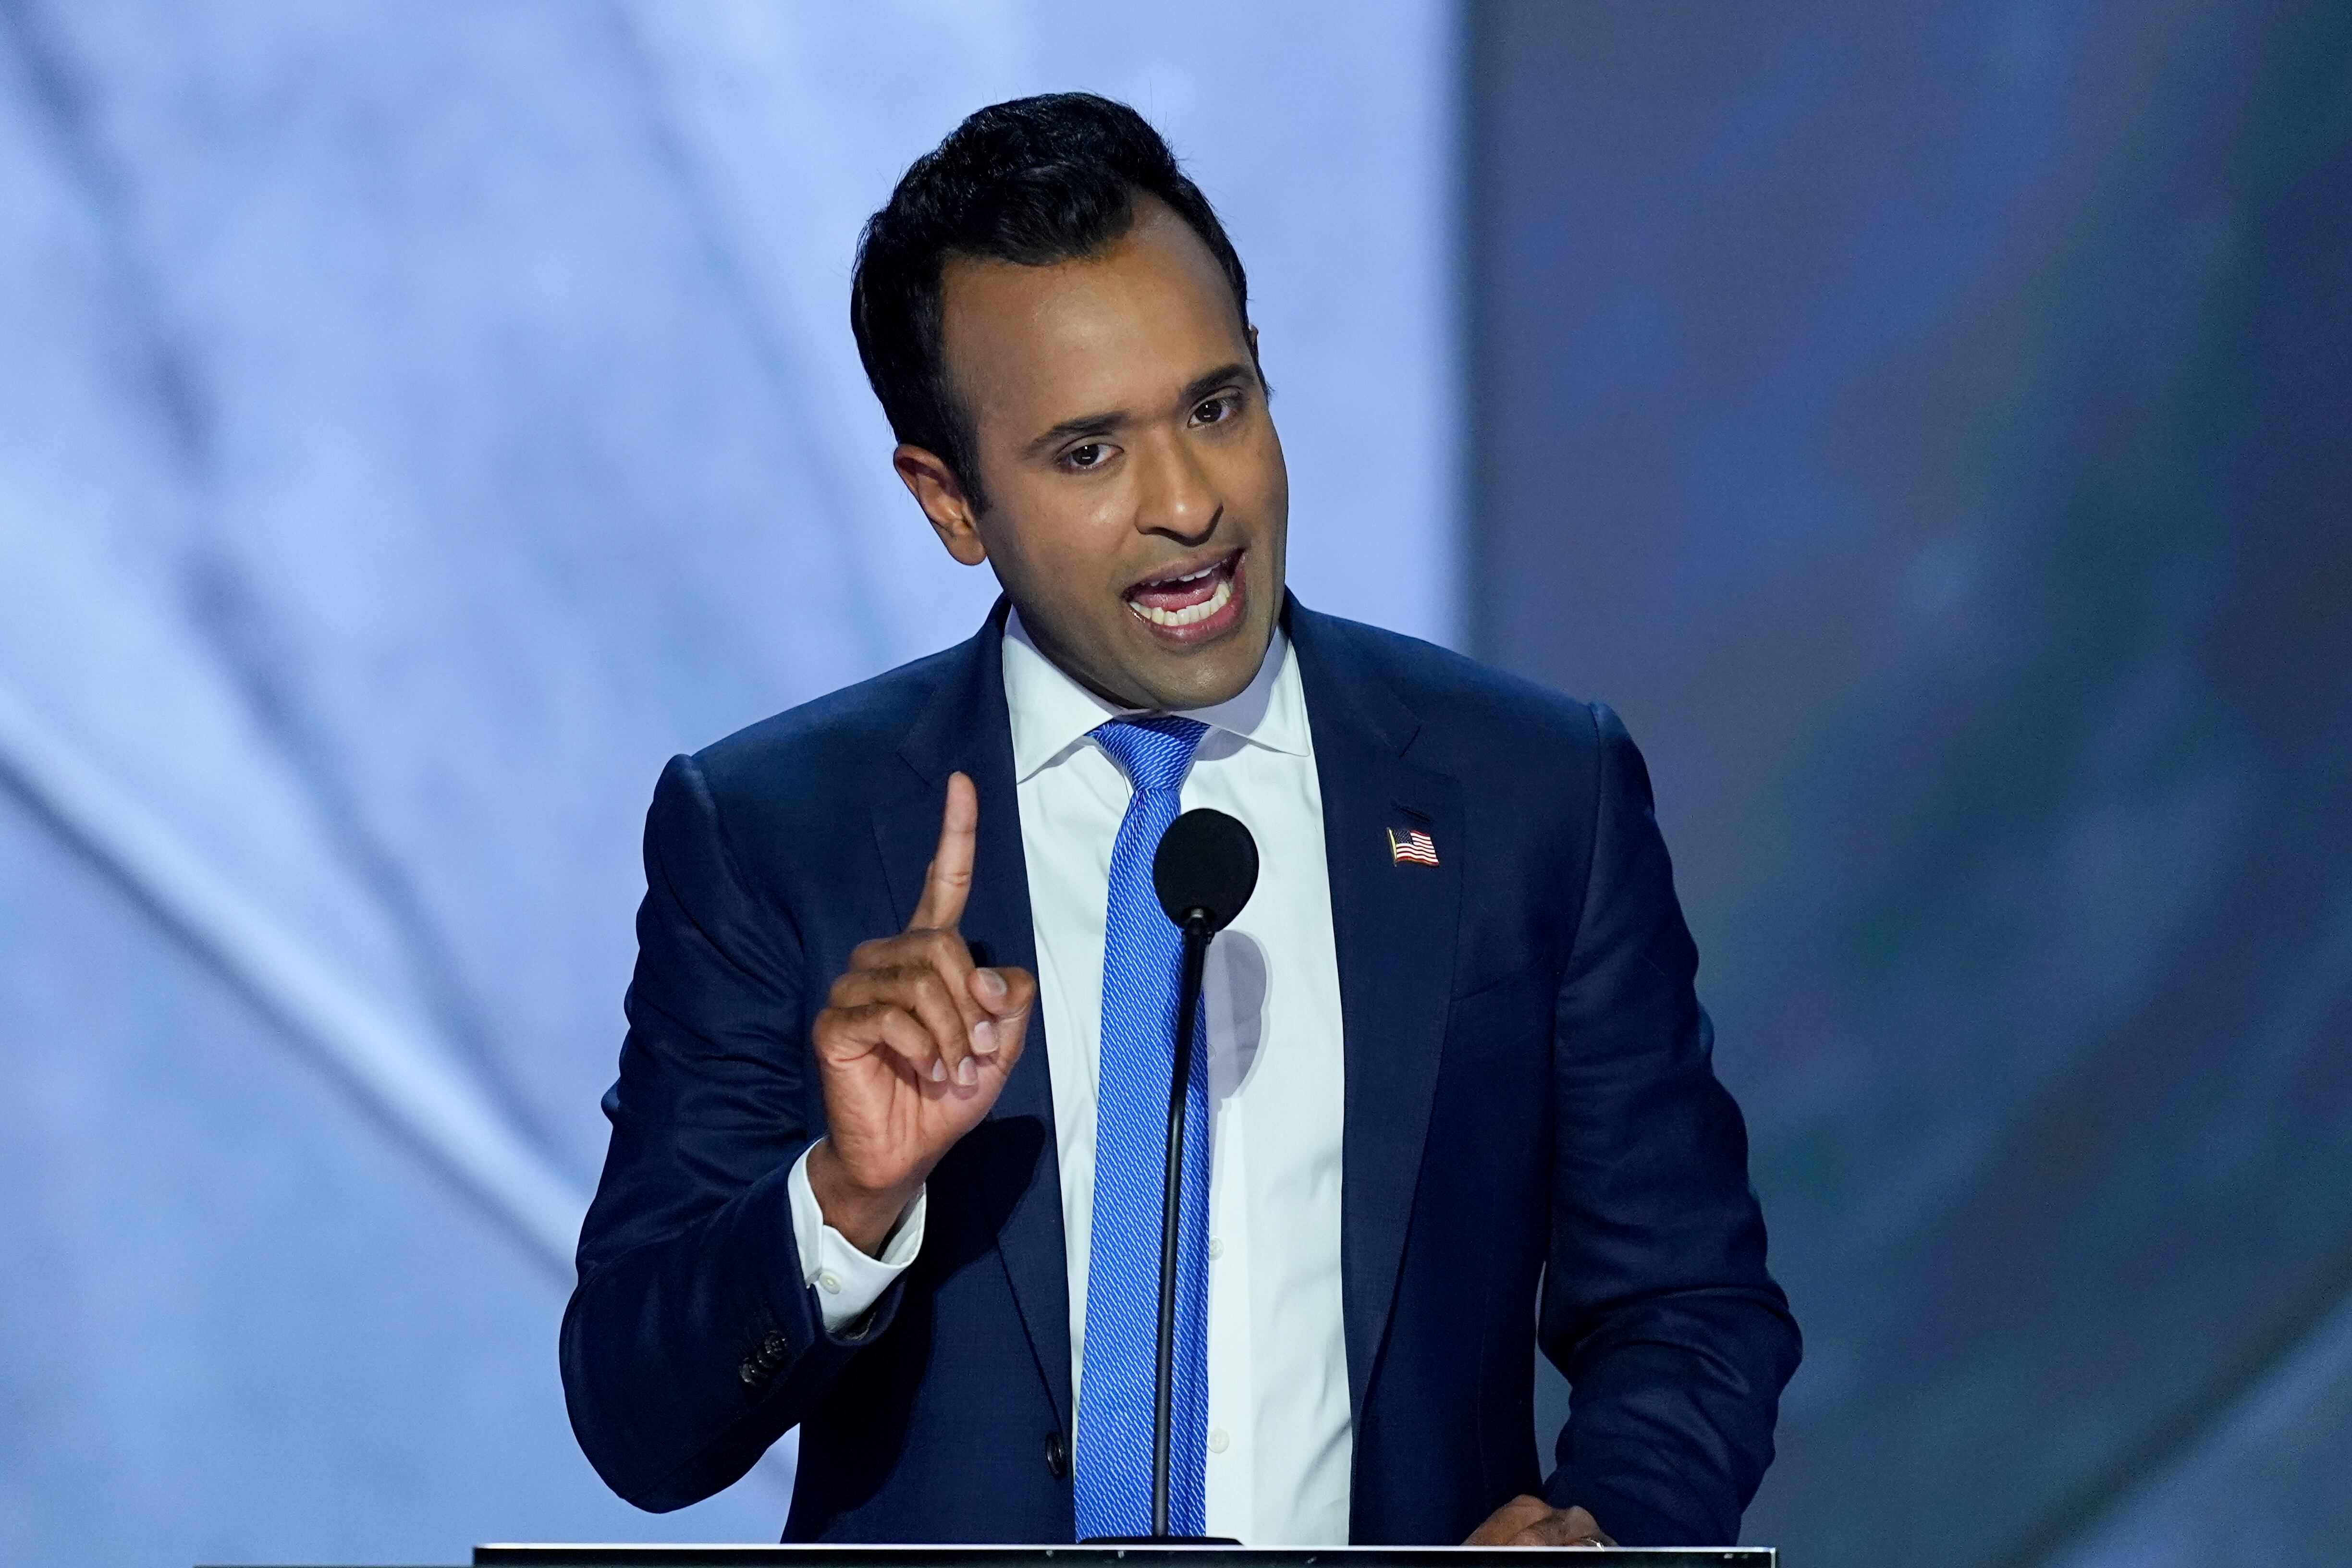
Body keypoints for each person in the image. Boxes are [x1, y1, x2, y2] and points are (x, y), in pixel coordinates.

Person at [560, 92, 1799, 1548]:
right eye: (1088, 453)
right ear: (950, 500)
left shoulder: (1533, 792)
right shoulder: (778, 832)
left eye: (1216, 408)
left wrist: (1607, 1522)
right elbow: (640, 1424)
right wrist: (847, 1195)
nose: (1188, 504)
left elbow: (1688, 1305)